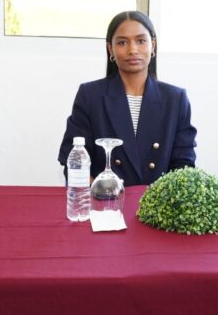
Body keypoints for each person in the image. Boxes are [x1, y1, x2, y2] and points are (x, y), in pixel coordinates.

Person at [58, 11, 197, 186]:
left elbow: (184, 167)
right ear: (111, 49)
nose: (133, 50)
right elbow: (74, 162)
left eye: (141, 41)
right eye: (122, 42)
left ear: (153, 45)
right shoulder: (90, 95)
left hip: (157, 201)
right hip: (104, 199)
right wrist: (100, 193)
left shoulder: (175, 99)